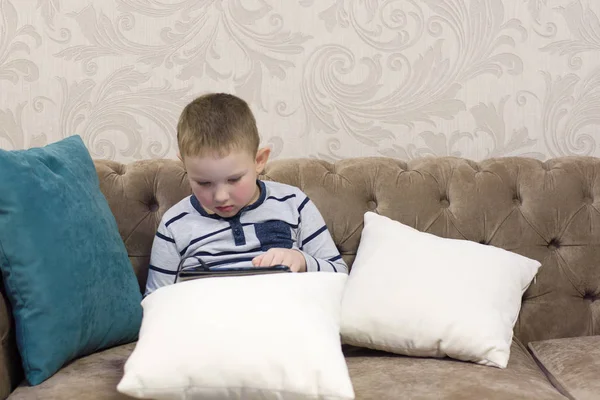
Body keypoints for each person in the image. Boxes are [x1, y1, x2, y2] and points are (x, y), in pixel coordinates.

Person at [144, 93, 348, 296]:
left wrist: (302, 261)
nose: (220, 196)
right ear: (185, 166)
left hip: (283, 316)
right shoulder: (174, 225)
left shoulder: (293, 203)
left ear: (259, 160)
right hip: (209, 321)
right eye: (204, 183)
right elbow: (156, 300)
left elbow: (340, 275)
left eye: (233, 180)